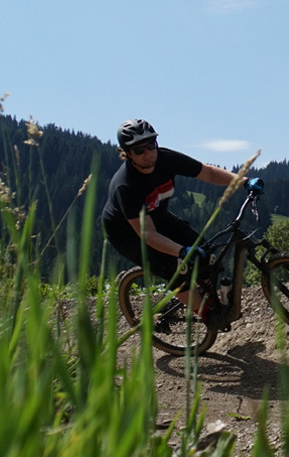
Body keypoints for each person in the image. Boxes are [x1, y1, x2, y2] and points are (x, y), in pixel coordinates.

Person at [100, 118, 253, 321]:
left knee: (205, 253)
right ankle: (208, 315)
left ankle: (210, 299)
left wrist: (243, 181)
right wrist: (180, 251)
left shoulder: (166, 159)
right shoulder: (126, 186)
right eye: (139, 150)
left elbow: (206, 172)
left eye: (150, 145)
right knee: (175, 266)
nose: (148, 153)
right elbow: (147, 234)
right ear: (127, 154)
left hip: (158, 216)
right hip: (129, 233)